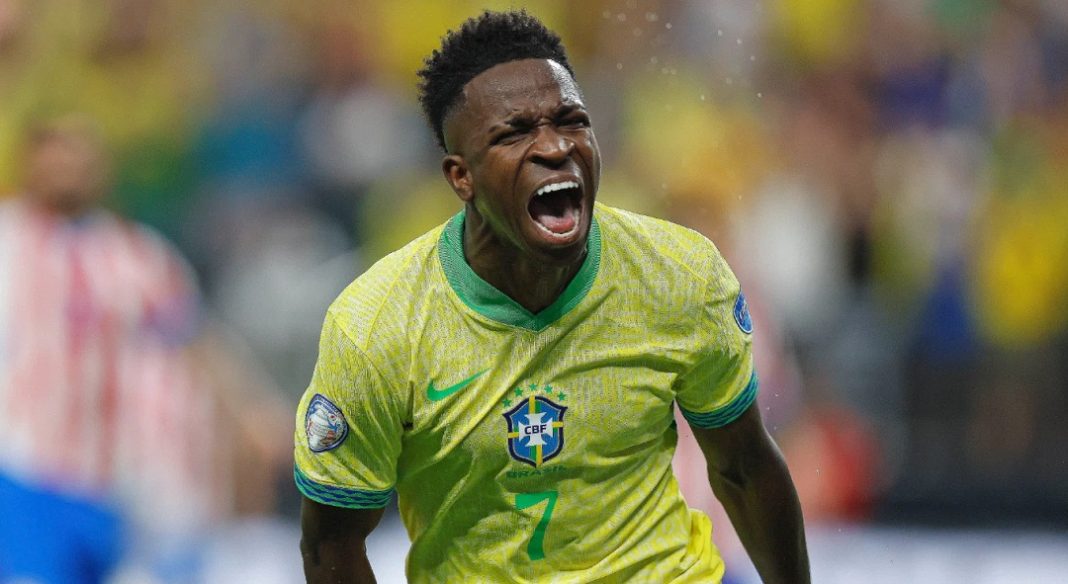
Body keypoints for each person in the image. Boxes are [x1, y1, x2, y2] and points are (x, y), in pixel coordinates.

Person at [295, 10, 809, 583]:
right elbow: (330, 544)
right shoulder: (376, 328)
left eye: (572, 121)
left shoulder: (679, 276)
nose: (556, 147)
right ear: (460, 176)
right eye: (515, 133)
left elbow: (743, 467)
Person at [0, 115, 290, 583]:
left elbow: (197, 339)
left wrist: (253, 412)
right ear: (27, 165)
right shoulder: (8, 241)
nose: (66, 170)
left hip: (110, 479)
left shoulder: (133, 256)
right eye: (53, 158)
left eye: (78, 158)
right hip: (24, 467)